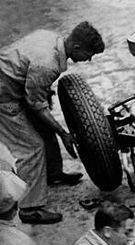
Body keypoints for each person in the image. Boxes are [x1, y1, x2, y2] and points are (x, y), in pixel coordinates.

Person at [0, 21, 105, 224]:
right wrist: (64, 133)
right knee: (31, 147)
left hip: (12, 84)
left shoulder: (49, 36)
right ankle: (29, 209)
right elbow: (35, 102)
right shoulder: (48, 64)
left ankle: (53, 174)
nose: (89, 60)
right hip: (3, 99)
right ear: (76, 47)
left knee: (44, 127)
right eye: (88, 54)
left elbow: (34, 89)